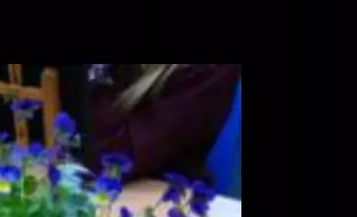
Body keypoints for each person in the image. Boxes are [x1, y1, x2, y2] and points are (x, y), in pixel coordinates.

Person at [82, 64, 240, 183]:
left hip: (156, 196)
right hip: (96, 182)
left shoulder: (207, 72)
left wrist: (96, 72)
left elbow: (115, 157)